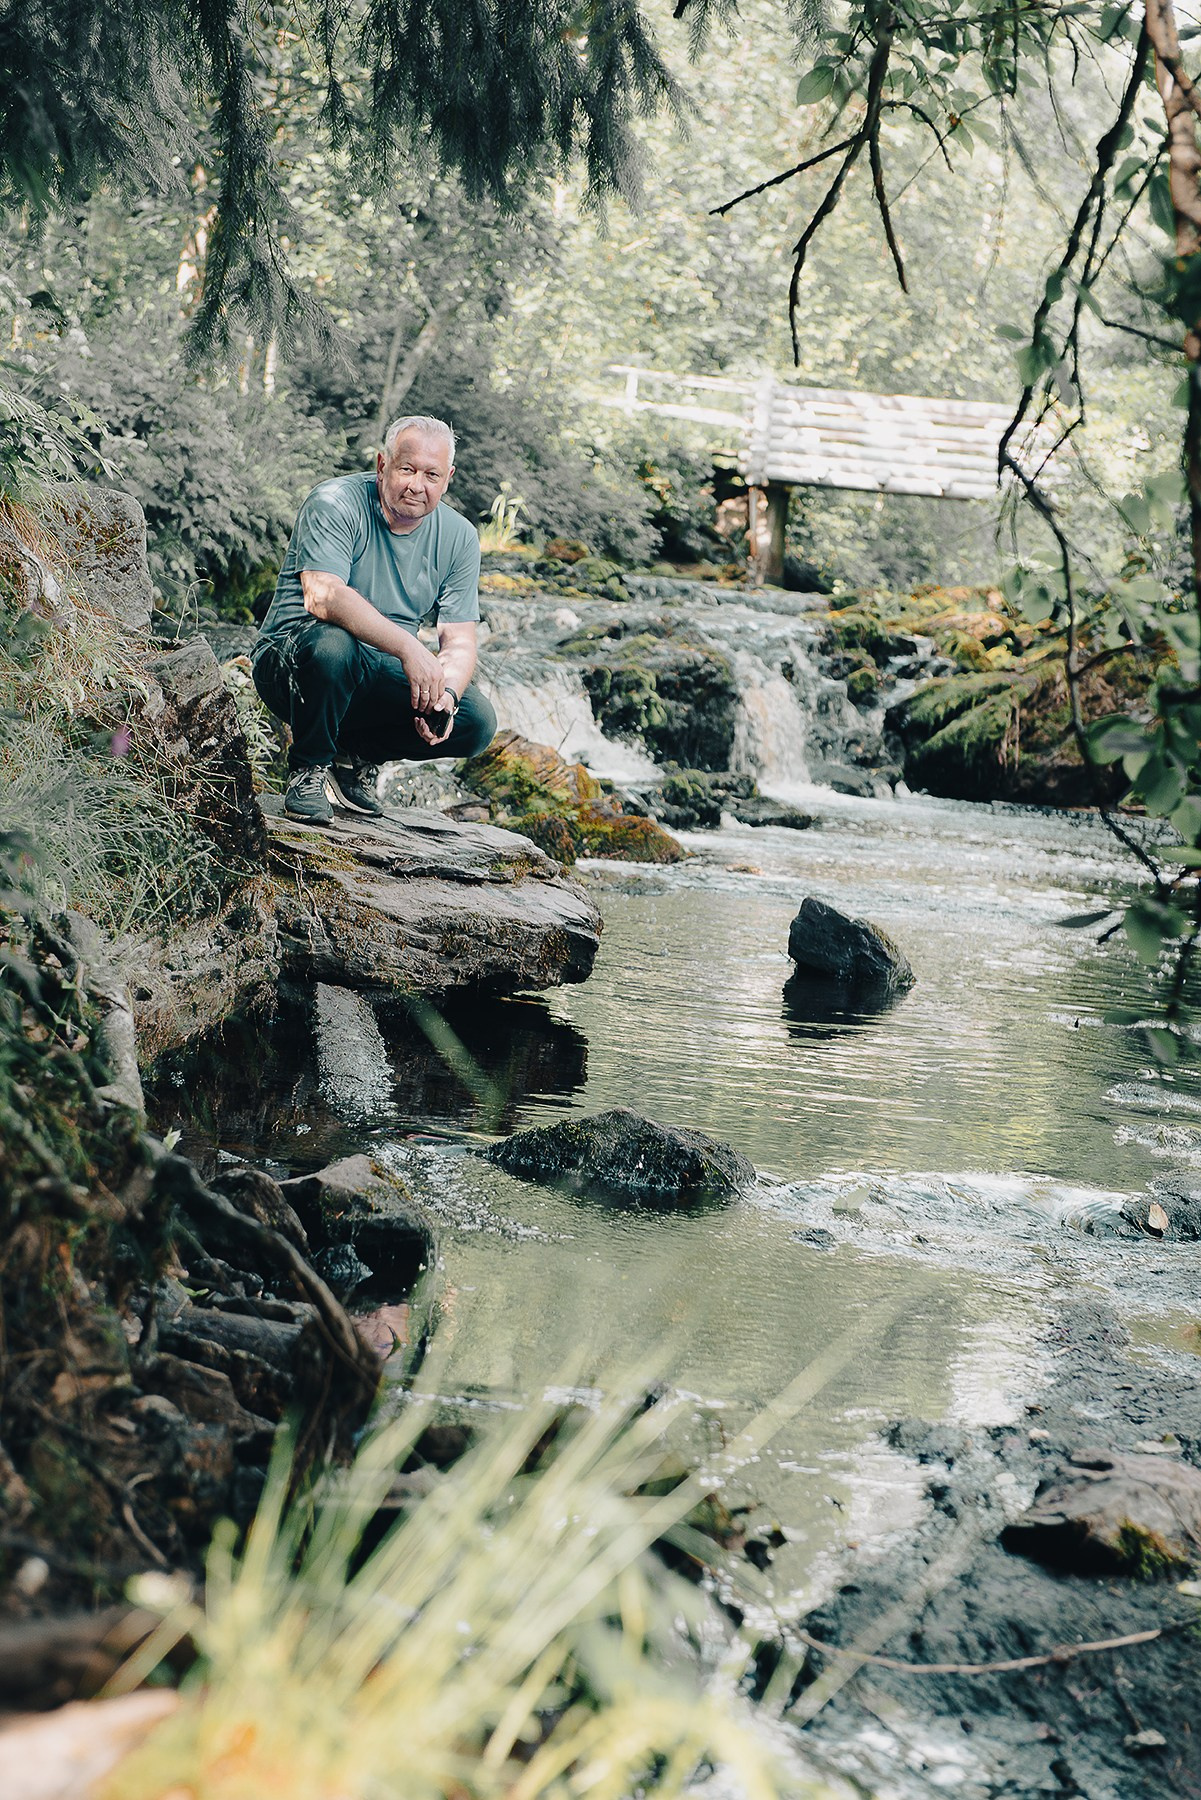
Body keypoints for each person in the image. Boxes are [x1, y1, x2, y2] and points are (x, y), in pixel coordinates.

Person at [252, 414, 497, 824]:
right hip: (295, 664)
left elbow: (458, 640)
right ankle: (308, 769)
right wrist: (409, 648)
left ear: (448, 478)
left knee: (475, 720)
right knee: (335, 645)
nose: (417, 485)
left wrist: (447, 696)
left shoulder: (459, 537)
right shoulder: (334, 501)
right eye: (407, 469)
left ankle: (354, 756)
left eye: (431, 474)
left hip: (372, 674)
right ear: (383, 465)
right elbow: (322, 596)